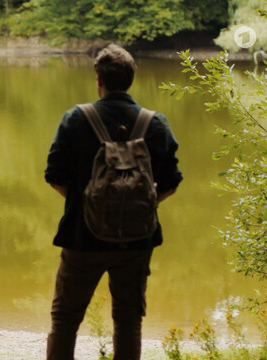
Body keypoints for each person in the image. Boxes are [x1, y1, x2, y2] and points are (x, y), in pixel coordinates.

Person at [44, 44, 183, 360]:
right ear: (131, 79)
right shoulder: (155, 123)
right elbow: (172, 183)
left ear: (98, 79)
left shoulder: (76, 119)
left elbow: (54, 175)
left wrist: (86, 205)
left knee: (65, 320)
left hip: (81, 239)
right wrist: (141, 206)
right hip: (137, 241)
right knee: (128, 320)